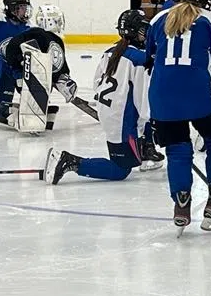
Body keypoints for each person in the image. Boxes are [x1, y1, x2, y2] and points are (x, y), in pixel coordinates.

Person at [146, 0, 211, 232]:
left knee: (177, 149)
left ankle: (181, 201)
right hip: (200, 96)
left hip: (162, 97)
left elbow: (151, 56)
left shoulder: (158, 19)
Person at [44, 10, 163, 184]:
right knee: (120, 170)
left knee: (131, 157)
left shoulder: (110, 52)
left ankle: (142, 151)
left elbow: (96, 84)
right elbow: (142, 101)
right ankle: (69, 161)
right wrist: (151, 123)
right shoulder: (139, 59)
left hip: (109, 113)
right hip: (121, 120)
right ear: (136, 31)